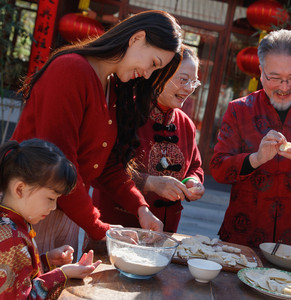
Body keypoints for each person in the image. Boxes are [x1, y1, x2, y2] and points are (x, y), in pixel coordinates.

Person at [11, 10, 183, 256]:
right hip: (27, 213)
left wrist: (140, 208)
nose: (147, 74)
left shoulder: (112, 86)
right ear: (137, 38)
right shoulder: (71, 70)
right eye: (153, 63)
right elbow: (58, 169)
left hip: (65, 215)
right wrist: (101, 228)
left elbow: (107, 166)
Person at [210, 29, 291, 249]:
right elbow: (218, 169)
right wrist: (255, 158)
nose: (284, 87)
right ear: (261, 72)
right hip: (242, 233)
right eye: (275, 78)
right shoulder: (240, 110)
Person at [93, 46, 205, 232]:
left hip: (165, 230)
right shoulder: (125, 112)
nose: (189, 89)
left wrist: (192, 181)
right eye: (183, 80)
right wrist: (149, 182)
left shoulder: (186, 124)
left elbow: (195, 166)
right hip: (118, 226)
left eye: (193, 82)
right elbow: (102, 168)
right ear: (159, 75)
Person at [0, 139, 101, 299]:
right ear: (20, 189)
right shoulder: (11, 240)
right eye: (50, 198)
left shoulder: (13, 223)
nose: (53, 207)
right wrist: (62, 274)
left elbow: (18, 276)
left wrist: (47, 260)